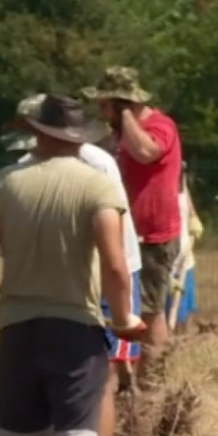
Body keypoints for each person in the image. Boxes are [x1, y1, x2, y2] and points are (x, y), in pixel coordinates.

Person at [0, 95, 146, 436]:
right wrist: (125, 318)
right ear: (79, 138)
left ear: (38, 134)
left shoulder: (6, 182)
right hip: (75, 328)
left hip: (18, 329)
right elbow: (115, 264)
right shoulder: (98, 186)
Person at [82, 67, 183, 381]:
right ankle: (124, 378)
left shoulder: (160, 127)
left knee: (150, 314)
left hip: (152, 238)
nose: (100, 111)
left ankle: (153, 384)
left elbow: (145, 152)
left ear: (122, 104)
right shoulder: (116, 134)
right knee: (119, 308)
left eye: (105, 104)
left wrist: (125, 116)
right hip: (125, 237)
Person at [166, 162, 203, 334]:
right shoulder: (156, 186)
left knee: (187, 314)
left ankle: (183, 350)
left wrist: (193, 216)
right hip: (166, 265)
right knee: (166, 319)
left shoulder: (179, 176)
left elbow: (185, 193)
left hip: (184, 258)